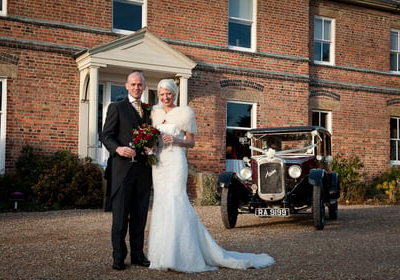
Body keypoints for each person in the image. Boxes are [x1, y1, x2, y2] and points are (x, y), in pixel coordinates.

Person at [147, 79, 275, 272]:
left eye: (169, 93)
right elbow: (153, 138)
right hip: (159, 164)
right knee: (162, 203)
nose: (165, 97)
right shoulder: (155, 113)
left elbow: (191, 142)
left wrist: (176, 140)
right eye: (162, 94)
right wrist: (150, 147)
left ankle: (181, 254)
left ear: (175, 93)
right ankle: (161, 254)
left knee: (176, 200)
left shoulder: (185, 113)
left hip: (175, 162)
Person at [101, 70, 152, 270]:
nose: (136, 88)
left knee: (140, 216)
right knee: (120, 218)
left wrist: (152, 146)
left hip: (143, 171)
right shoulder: (117, 107)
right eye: (133, 84)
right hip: (122, 171)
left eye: (140, 84)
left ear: (144, 86)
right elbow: (106, 135)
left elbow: (152, 135)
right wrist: (118, 148)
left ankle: (138, 255)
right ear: (126, 86)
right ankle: (118, 257)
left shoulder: (149, 110)